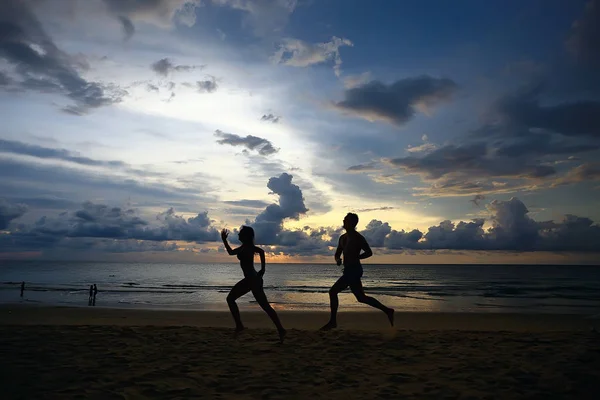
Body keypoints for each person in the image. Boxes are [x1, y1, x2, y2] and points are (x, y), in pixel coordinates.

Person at [321, 213, 394, 330]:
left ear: (353, 223)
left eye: (346, 220)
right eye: (344, 219)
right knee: (361, 298)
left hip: (354, 270)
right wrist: (338, 259)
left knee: (333, 292)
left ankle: (332, 321)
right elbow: (337, 253)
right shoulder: (342, 238)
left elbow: (369, 252)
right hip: (348, 271)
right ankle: (388, 310)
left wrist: (357, 257)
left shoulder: (358, 238)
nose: (343, 221)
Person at [221, 226, 286, 343]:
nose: (238, 235)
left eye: (240, 234)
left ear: (246, 236)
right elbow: (231, 252)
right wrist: (224, 240)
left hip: (253, 280)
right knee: (231, 299)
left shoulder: (250, 248)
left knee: (264, 306)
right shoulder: (243, 248)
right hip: (251, 279)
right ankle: (240, 326)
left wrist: (263, 269)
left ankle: (280, 329)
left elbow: (261, 251)